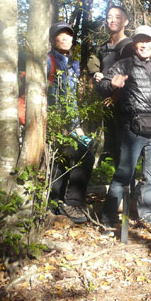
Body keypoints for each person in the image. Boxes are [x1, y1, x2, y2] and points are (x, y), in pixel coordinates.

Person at [98, 25, 151, 230]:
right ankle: (108, 217)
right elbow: (102, 87)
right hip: (132, 129)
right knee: (124, 174)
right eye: (140, 41)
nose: (144, 45)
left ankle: (146, 215)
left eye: (148, 41)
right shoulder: (124, 65)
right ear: (134, 44)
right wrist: (112, 84)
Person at [47, 21, 94, 224]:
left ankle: (60, 203)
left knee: (72, 159)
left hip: (70, 124)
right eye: (61, 34)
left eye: (69, 34)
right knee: (67, 160)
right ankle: (65, 204)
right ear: (52, 39)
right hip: (54, 122)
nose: (65, 38)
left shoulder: (71, 64)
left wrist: (76, 125)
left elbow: (71, 98)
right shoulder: (49, 61)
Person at [87, 6, 134, 166]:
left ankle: (128, 178)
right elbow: (95, 65)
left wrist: (116, 96)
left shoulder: (130, 46)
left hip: (125, 103)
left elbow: (133, 75)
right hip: (106, 102)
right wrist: (96, 74)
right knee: (110, 142)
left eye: (118, 17)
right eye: (109, 17)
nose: (113, 20)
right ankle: (112, 176)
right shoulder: (103, 48)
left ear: (125, 22)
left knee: (125, 144)